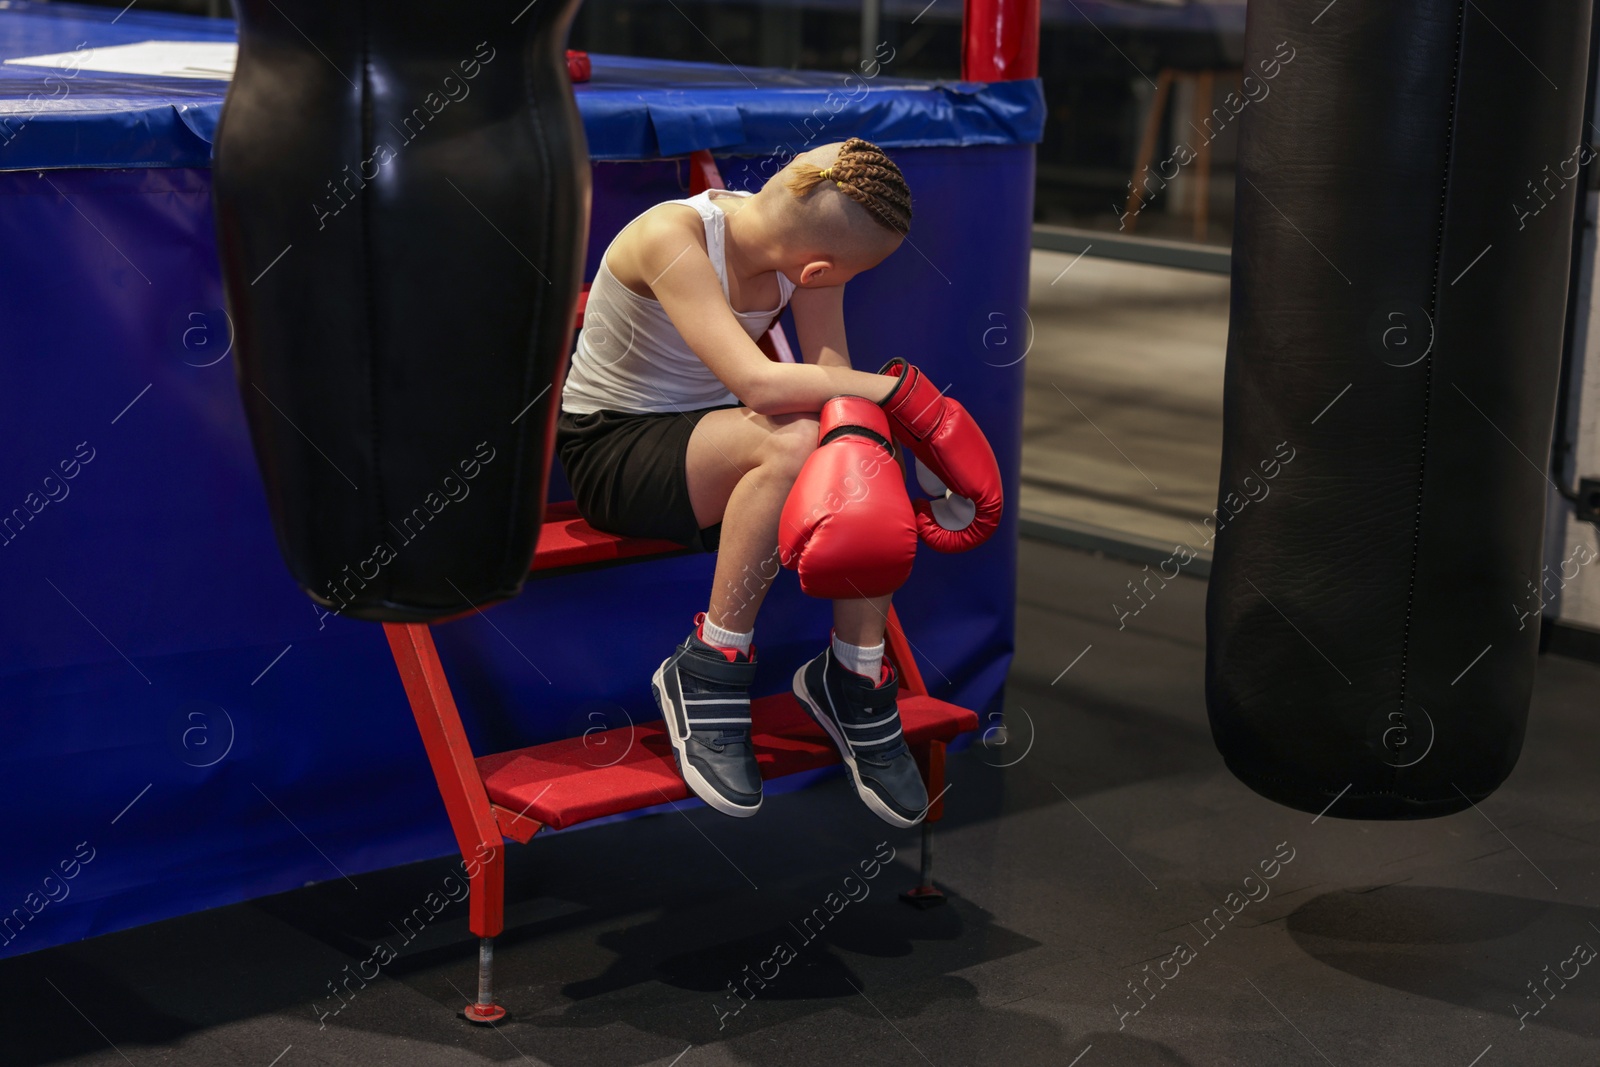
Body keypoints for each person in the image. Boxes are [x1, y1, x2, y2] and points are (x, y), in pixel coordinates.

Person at [556, 137, 928, 827]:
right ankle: (709, 664)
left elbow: (830, 386)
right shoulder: (670, 232)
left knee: (860, 441)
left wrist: (887, 425)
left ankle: (853, 671)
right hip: (612, 449)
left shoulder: (804, 262)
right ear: (819, 265)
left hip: (707, 433)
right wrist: (908, 399)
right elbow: (756, 380)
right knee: (799, 444)